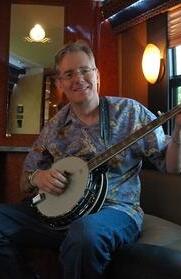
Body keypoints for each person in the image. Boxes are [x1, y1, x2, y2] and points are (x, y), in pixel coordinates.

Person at [0, 41, 181, 279]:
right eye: (69, 73)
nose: (78, 78)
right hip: (60, 216)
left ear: (96, 75)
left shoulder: (129, 112)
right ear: (60, 83)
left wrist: (178, 133)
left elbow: (171, 167)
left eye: (85, 70)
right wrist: (39, 176)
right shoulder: (53, 127)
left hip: (116, 211)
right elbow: (26, 180)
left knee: (85, 233)